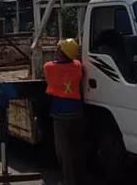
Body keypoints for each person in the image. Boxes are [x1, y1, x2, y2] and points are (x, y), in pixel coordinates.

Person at [43, 38, 85, 185]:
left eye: (58, 48)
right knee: (75, 148)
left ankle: (68, 181)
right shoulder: (77, 67)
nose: (56, 50)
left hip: (60, 113)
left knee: (63, 150)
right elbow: (75, 62)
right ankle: (79, 179)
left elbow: (49, 67)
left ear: (62, 52)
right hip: (76, 111)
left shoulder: (49, 67)